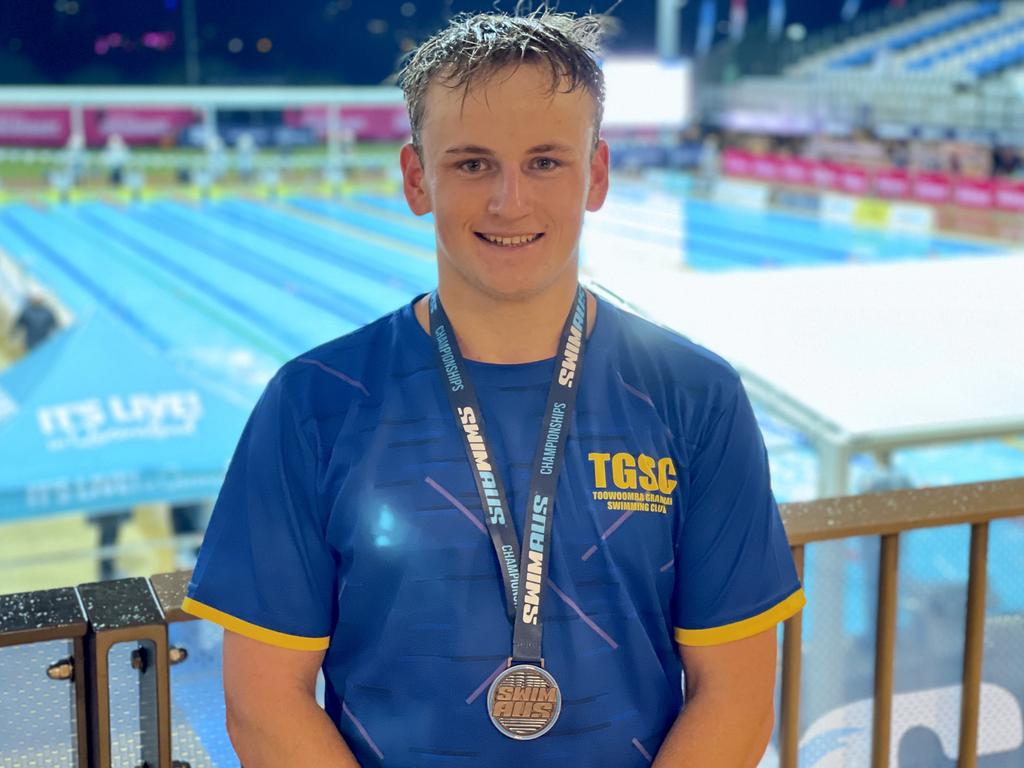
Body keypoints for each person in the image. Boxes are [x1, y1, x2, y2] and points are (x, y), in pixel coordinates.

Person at [183, 9, 805, 767]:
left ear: (596, 174)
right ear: (417, 179)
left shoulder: (695, 398)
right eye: (473, 163)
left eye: (545, 161)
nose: (510, 201)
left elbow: (736, 695)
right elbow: (264, 704)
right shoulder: (315, 403)